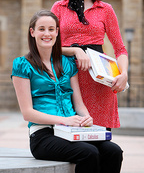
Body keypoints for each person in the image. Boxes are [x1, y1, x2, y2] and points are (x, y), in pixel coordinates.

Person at [11, 10, 123, 173]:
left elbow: (79, 104)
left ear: (57, 32)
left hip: (72, 131)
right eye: (41, 29)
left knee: (114, 151)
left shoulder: (68, 63)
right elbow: (27, 113)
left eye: (51, 29)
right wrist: (65, 120)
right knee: (88, 153)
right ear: (32, 32)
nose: (46, 33)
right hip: (43, 135)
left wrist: (86, 118)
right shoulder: (22, 65)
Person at [51, 0, 128, 129]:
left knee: (100, 141)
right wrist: (75, 51)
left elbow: (120, 48)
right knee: (71, 142)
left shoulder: (105, 9)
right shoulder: (59, 7)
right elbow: (47, 45)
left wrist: (123, 74)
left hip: (99, 81)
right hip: (67, 79)